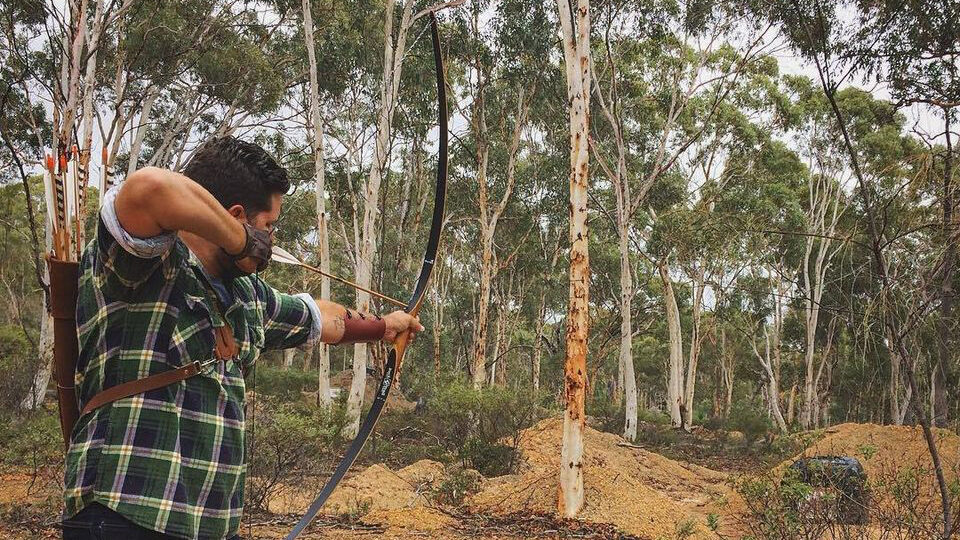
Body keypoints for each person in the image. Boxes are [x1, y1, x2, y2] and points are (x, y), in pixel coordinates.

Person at [59, 136, 422, 539]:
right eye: (268, 227)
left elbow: (320, 318)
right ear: (237, 216)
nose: (271, 242)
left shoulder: (246, 295)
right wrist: (242, 240)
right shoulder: (142, 262)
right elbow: (151, 188)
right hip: (125, 513)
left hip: (212, 524)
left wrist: (385, 326)